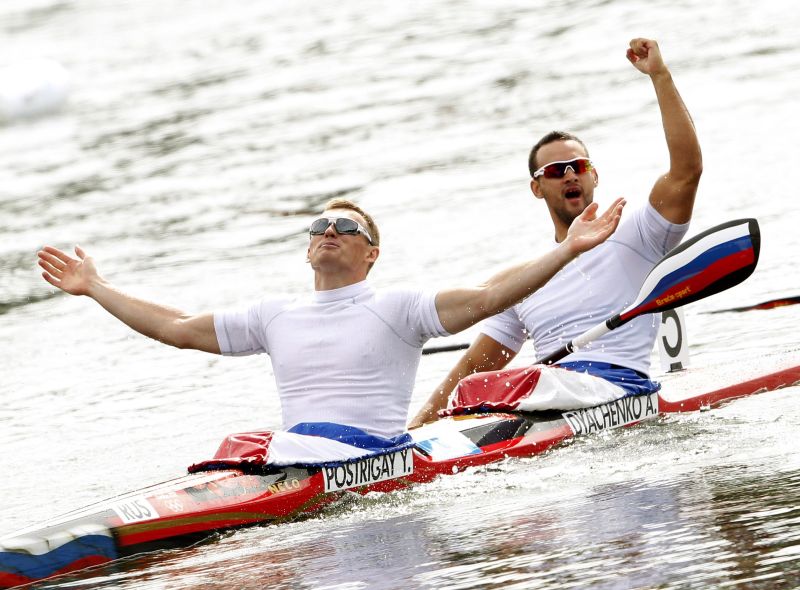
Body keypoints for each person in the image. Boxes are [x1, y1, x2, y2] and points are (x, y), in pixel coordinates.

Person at [38, 197, 624, 442]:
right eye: (318, 227)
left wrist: (567, 250)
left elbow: (489, 297)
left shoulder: (399, 307)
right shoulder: (274, 315)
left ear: (371, 253)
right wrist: (96, 287)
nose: (328, 233)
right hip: (300, 455)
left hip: (370, 457)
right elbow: (180, 327)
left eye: (347, 228)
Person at [409, 37, 702, 429]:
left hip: (615, 387)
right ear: (537, 188)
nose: (568, 173)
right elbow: (472, 367)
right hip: (542, 399)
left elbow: (686, 171)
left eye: (577, 165)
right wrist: (416, 432)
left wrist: (660, 77)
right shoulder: (526, 279)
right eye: (553, 171)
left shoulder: (640, 235)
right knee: (474, 387)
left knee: (514, 384)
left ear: (593, 176)